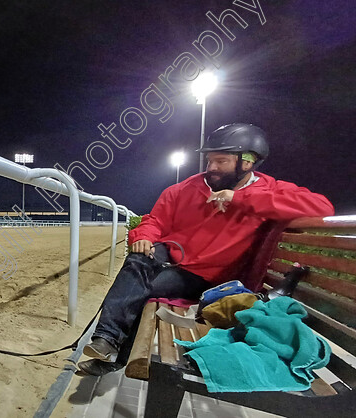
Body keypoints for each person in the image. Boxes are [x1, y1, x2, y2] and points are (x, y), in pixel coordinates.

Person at [79, 123, 335, 376]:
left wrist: (241, 200)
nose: (211, 168)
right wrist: (144, 236)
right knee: (139, 259)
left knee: (141, 289)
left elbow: (321, 207)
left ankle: (114, 353)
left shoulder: (267, 189)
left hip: (207, 277)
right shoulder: (185, 189)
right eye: (209, 161)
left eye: (220, 161)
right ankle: (106, 340)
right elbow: (154, 221)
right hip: (173, 257)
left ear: (247, 161)